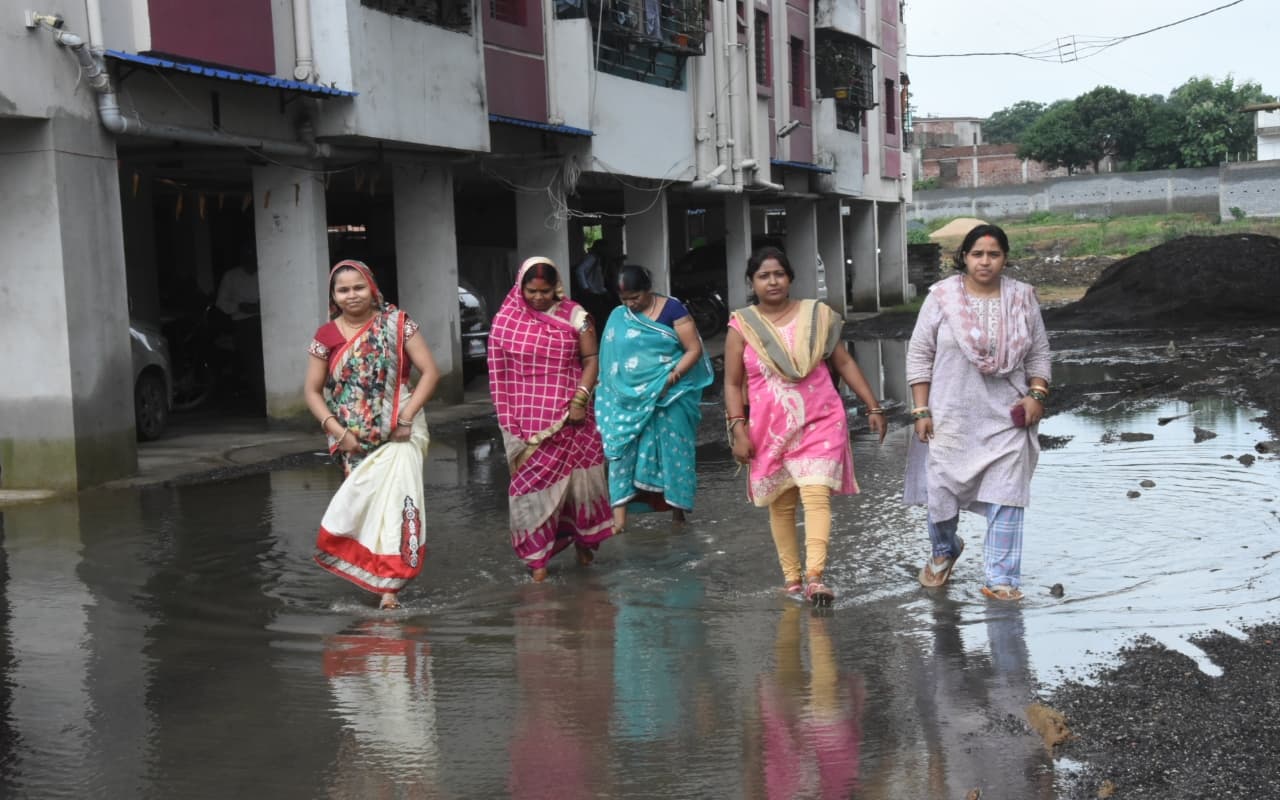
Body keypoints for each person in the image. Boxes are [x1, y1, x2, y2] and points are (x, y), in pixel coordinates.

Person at [724, 246, 887, 607]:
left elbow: (843, 362)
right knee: (781, 505)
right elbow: (733, 383)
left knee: (815, 494)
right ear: (752, 282)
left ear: (790, 278)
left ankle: (815, 577)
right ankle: (792, 579)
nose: (772, 281)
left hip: (820, 420)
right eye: (764, 276)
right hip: (768, 429)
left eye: (778, 274)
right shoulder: (742, 326)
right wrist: (737, 431)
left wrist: (873, 406)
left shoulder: (817, 317)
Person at [904, 223, 1052, 602]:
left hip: (1006, 417)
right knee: (941, 497)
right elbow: (920, 354)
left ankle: (1001, 580)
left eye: (994, 254)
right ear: (964, 258)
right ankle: (944, 550)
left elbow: (1039, 353)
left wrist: (1036, 394)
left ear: (1005, 258)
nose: (985, 261)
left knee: (1007, 497)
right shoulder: (941, 298)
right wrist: (921, 409)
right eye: (977, 254)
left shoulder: (1022, 298)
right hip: (950, 417)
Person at [304, 259, 441, 610]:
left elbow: (429, 372)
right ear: (334, 295)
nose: (352, 296)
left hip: (402, 431)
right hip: (352, 436)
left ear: (372, 288)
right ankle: (375, 573)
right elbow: (312, 392)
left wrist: (407, 418)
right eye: (343, 290)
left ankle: (389, 588)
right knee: (366, 507)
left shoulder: (398, 325)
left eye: (358, 287)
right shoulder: (326, 336)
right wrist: (338, 432)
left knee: (395, 504)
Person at [488, 257, 614, 582]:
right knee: (530, 487)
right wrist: (510, 420)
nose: (539, 298)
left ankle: (582, 546)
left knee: (578, 487)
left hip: (574, 417)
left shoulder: (577, 316)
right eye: (532, 291)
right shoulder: (505, 322)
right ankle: (538, 562)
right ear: (521, 286)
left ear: (556, 287)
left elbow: (590, 359)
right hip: (527, 422)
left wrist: (581, 400)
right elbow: (500, 375)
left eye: (545, 291)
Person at [596, 265, 714, 533]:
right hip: (629, 400)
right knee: (623, 452)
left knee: (674, 452)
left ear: (647, 289)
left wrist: (671, 377)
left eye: (635, 297)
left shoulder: (673, 309)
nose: (630, 304)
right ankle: (620, 520)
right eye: (625, 299)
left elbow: (693, 349)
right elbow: (611, 361)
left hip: (670, 396)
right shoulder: (618, 316)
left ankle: (678, 514)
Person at [215, 247, 266, 408]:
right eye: (247, 259)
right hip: (243, 324)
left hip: (265, 322)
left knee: (266, 362)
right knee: (252, 364)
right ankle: (260, 402)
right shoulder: (231, 277)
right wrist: (239, 306)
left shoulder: (265, 272)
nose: (251, 263)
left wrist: (260, 306)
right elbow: (221, 303)